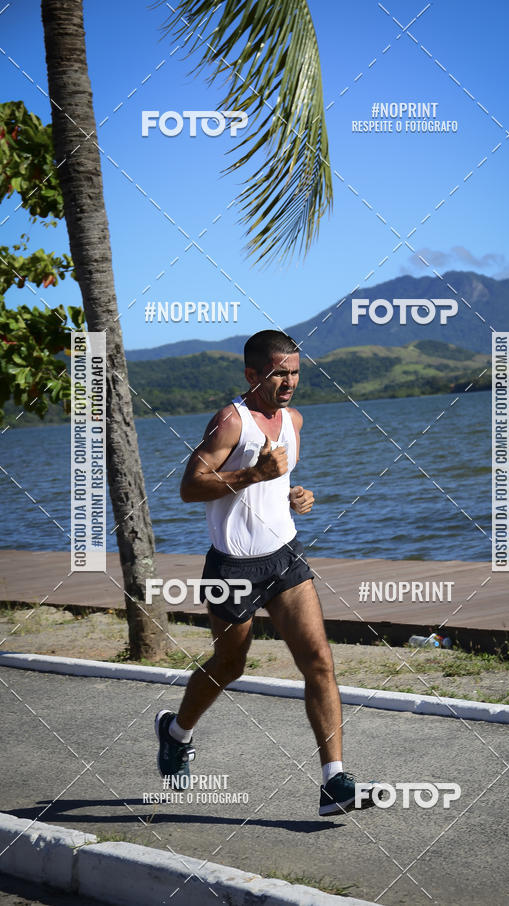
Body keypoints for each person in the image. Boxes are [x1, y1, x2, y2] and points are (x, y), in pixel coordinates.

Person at [155, 329, 377, 816]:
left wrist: (297, 497)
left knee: (318, 660)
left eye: (296, 372)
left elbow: (280, 483)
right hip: (232, 566)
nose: (290, 382)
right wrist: (253, 474)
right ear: (253, 374)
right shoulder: (229, 422)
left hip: (285, 557)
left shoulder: (294, 419)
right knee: (230, 665)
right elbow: (191, 487)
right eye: (280, 373)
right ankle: (176, 733)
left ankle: (333, 782)